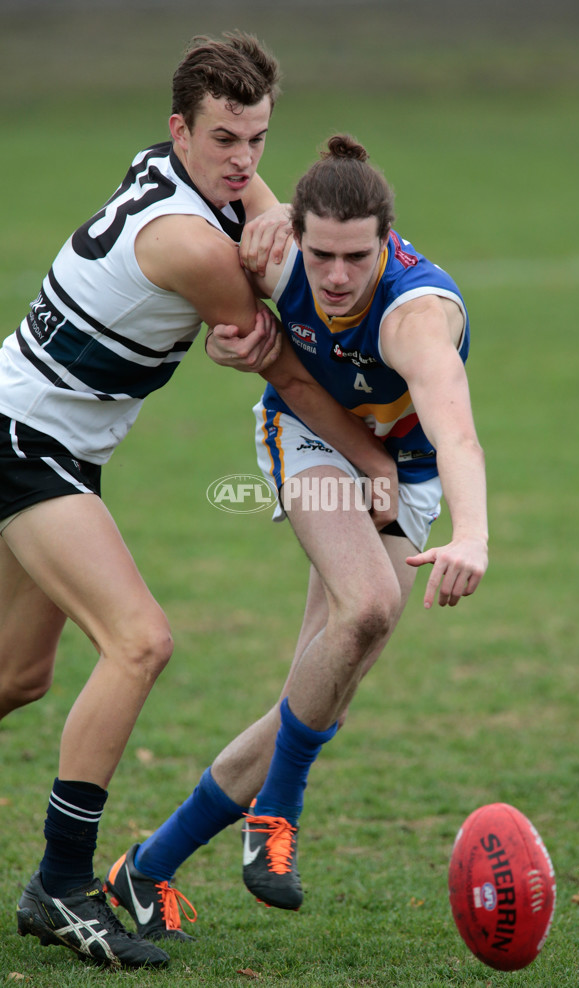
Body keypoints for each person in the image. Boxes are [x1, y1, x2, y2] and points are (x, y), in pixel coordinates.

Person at [1, 29, 396, 969]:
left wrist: (273, 207)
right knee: (139, 643)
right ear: (181, 131)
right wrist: (375, 460)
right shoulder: (186, 241)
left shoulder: (175, 170)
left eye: (257, 139)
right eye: (224, 139)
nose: (243, 160)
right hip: (25, 444)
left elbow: (266, 212)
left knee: (19, 676)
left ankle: (58, 883)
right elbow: (294, 375)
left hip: (44, 438)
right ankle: (61, 884)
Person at [104, 135, 488, 937]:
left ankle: (144, 869)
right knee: (373, 605)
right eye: (322, 257)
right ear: (298, 239)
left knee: (318, 689)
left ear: (389, 241)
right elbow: (228, 215)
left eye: (357, 256)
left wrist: (472, 535)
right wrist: (230, 340)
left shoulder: (417, 316)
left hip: (407, 472)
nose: (338, 277)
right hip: (309, 437)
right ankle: (276, 815)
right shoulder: (281, 254)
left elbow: (458, 436)